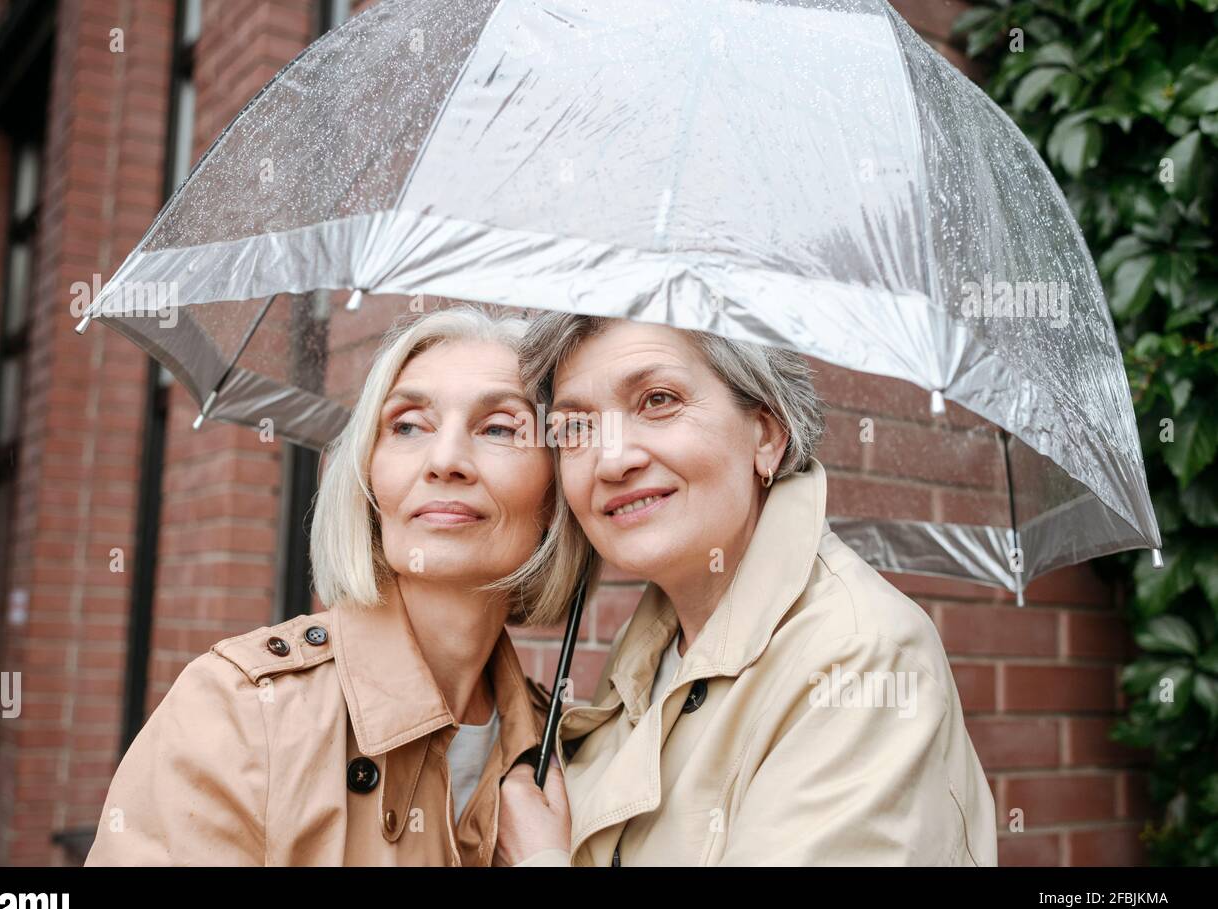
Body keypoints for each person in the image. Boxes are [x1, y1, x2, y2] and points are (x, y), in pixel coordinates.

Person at [86, 304, 586, 865]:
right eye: (407, 426)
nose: (445, 460)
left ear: (556, 492)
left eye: (499, 428)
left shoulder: (569, 751)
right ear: (369, 475)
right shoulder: (243, 710)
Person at [496, 314, 998, 866]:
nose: (612, 459)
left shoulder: (860, 658)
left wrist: (539, 859)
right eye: (576, 427)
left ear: (767, 433)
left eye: (658, 400)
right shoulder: (656, 646)